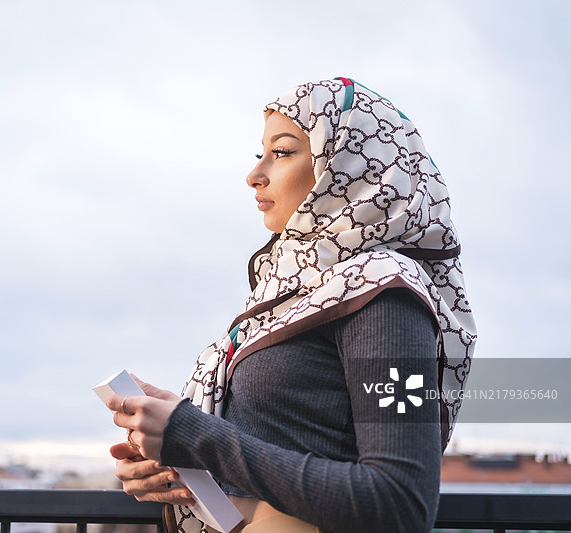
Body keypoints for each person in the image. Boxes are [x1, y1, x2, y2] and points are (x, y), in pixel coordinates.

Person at [105, 78, 477, 533]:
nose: (255, 174)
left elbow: (399, 503)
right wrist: (176, 461)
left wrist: (195, 434)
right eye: (259, 153)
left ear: (346, 164)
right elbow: (269, 453)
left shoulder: (385, 293)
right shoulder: (293, 292)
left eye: (281, 152)